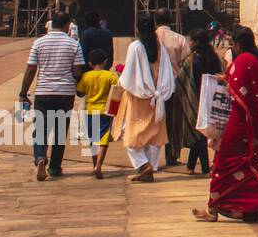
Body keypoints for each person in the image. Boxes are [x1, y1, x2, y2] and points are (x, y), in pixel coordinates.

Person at [192, 26, 258, 224]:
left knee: (224, 163)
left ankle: (212, 209)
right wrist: (227, 79)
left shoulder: (243, 61)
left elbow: (237, 89)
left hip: (241, 123)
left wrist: (226, 81)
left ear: (238, 44)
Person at [20, 11, 85, 180]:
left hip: (43, 92)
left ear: (50, 24)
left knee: (41, 129)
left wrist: (23, 93)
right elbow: (78, 72)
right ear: (67, 25)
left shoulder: (38, 43)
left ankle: (40, 157)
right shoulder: (74, 44)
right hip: (65, 93)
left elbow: (30, 69)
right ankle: (55, 167)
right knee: (60, 131)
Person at [113, 14, 175, 182]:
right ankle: (150, 168)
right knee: (153, 136)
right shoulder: (160, 46)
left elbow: (128, 75)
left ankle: (143, 165)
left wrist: (120, 81)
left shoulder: (136, 47)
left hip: (138, 97)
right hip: (157, 96)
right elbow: (167, 71)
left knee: (130, 135)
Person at [155, 10, 194, 167]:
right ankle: (171, 156)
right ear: (171, 20)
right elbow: (186, 62)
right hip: (174, 85)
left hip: (154, 87)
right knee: (173, 122)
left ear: (155, 20)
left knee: (154, 122)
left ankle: (151, 159)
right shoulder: (179, 39)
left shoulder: (150, 38)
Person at [185, 28, 223, 175]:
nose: (189, 43)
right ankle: (190, 166)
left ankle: (204, 168)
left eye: (191, 41)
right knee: (201, 131)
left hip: (196, 98)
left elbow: (187, 79)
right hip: (211, 97)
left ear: (196, 42)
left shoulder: (194, 59)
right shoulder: (214, 57)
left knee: (199, 133)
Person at [77, 48, 119, 179]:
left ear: (89, 63)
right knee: (104, 139)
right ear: (105, 62)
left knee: (93, 140)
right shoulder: (110, 76)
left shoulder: (86, 76)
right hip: (104, 112)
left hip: (90, 112)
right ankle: (99, 166)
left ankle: (94, 163)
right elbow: (117, 92)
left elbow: (80, 92)